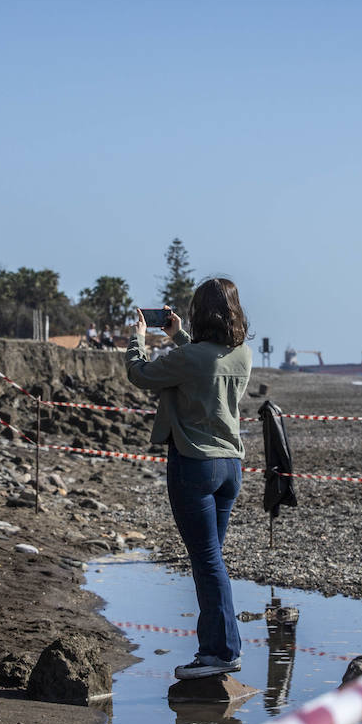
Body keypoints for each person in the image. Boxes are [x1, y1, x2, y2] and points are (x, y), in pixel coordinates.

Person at [127, 279, 252, 680]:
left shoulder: (193, 357)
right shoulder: (242, 354)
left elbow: (141, 374)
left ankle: (220, 652)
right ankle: (218, 648)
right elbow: (203, 363)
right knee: (212, 559)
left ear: (201, 313)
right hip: (230, 466)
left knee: (207, 561)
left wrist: (138, 338)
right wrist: (177, 335)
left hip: (195, 464)